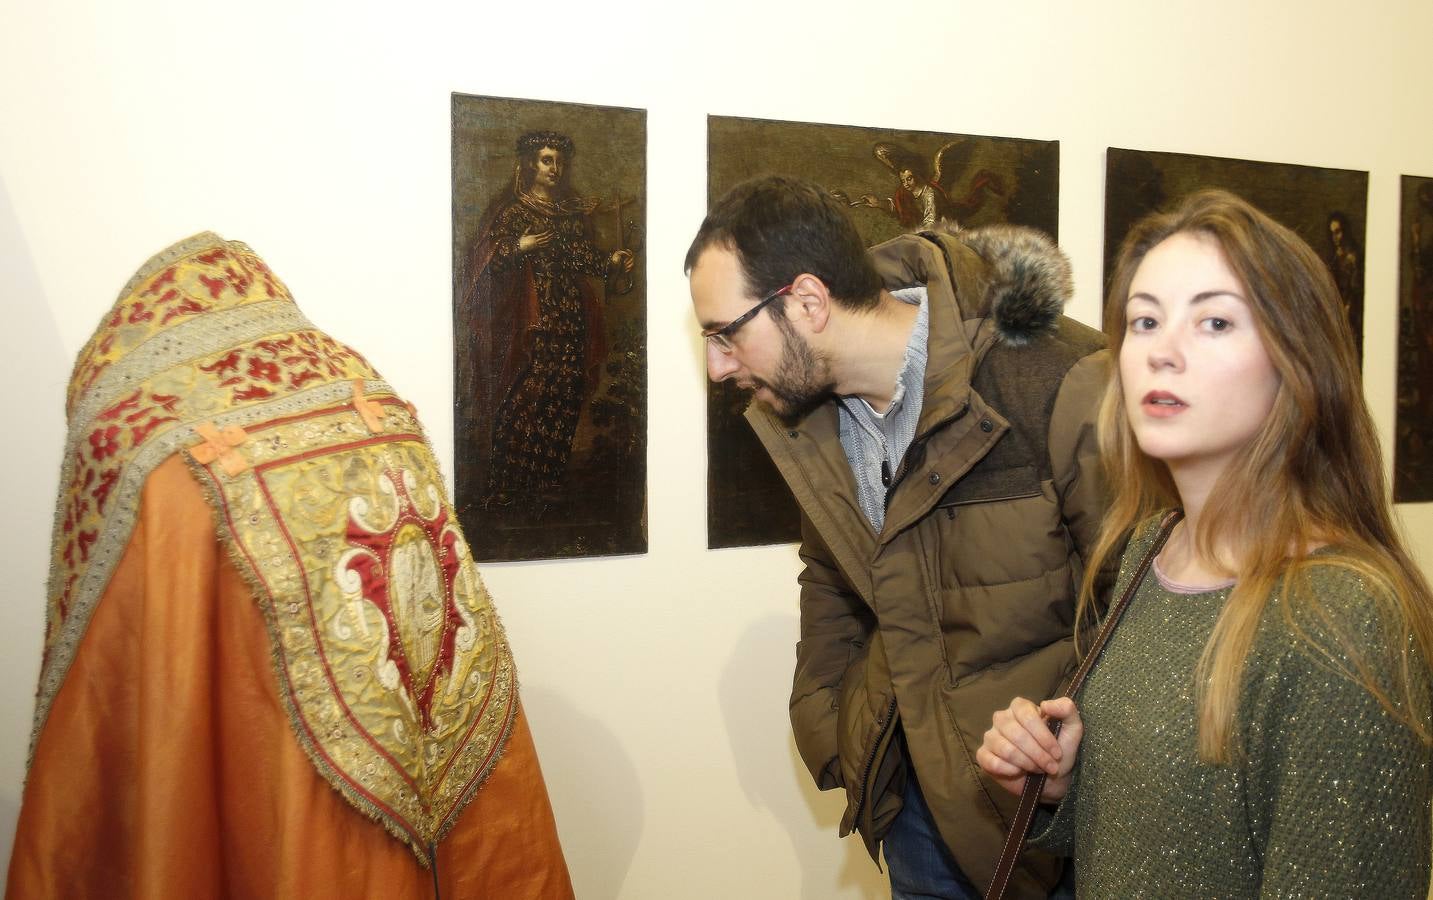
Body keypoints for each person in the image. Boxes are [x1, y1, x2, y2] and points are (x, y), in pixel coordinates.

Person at [9, 232, 575, 898]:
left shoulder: (140, 435)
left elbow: (133, 702)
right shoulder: (368, 390)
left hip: (276, 777)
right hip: (408, 754)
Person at [977, 190, 1433, 897]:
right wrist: (1064, 783)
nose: (1162, 351)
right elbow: (1174, 836)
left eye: (1214, 321)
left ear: (1295, 361)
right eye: (1144, 320)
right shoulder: (1149, 549)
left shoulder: (1341, 616)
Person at [686, 175, 1109, 899]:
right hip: (913, 805)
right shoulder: (812, 417)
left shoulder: (1059, 381)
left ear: (808, 302)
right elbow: (832, 581)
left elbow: (1144, 607)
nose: (718, 366)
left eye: (727, 334)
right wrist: (832, 731)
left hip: (1054, 826)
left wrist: (1083, 764)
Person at [458, 130, 634, 513]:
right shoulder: (515, 211)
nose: (555, 168)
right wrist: (520, 246)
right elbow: (485, 261)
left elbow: (583, 259)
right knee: (527, 393)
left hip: (569, 317)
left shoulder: (567, 214)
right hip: (531, 319)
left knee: (564, 393)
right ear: (530, 164)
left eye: (559, 161)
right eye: (546, 160)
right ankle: (507, 484)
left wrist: (612, 263)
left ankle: (546, 480)